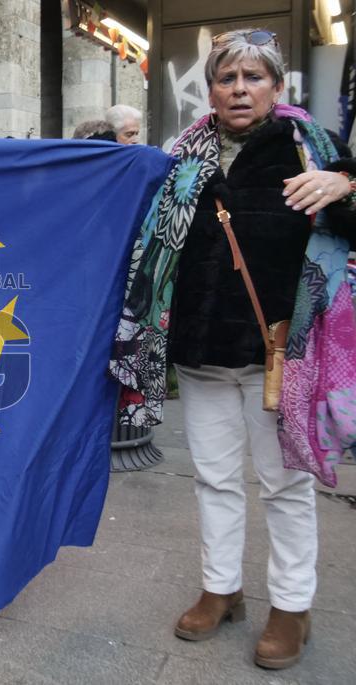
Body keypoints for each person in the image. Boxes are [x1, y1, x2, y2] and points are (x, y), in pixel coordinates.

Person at [110, 29, 356, 670]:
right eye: (227, 79)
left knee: (283, 486)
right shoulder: (180, 154)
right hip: (200, 347)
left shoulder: (315, 150)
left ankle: (292, 608)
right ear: (211, 88)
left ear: (277, 86)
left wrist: (346, 187)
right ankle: (222, 590)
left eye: (253, 78)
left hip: (279, 353)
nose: (240, 89)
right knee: (214, 479)